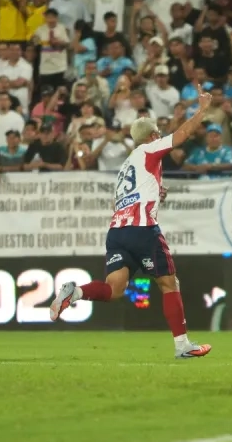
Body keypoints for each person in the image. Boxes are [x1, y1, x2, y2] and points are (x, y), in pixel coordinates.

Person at [49, 93, 214, 359]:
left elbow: (127, 199)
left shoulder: (126, 167)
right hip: (142, 229)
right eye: (157, 134)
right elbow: (181, 136)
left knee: (114, 289)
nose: (159, 137)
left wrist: (156, 192)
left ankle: (75, 292)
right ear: (151, 137)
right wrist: (202, 110)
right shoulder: (150, 149)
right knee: (170, 284)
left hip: (117, 233)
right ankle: (182, 344)